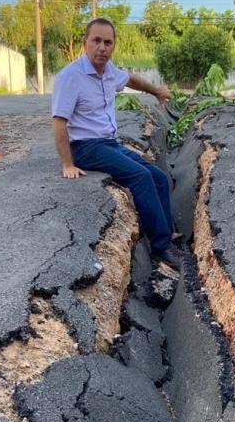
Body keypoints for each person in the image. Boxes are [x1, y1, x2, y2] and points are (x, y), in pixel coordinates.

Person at [51, 18, 180, 270]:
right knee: (141, 177)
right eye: (96, 41)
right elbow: (58, 122)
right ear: (85, 43)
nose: (102, 47)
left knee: (160, 178)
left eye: (107, 42)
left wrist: (156, 91)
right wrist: (67, 163)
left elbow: (131, 79)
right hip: (86, 148)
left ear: (113, 45)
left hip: (109, 144)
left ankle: (168, 234)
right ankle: (161, 247)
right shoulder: (71, 77)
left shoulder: (109, 72)